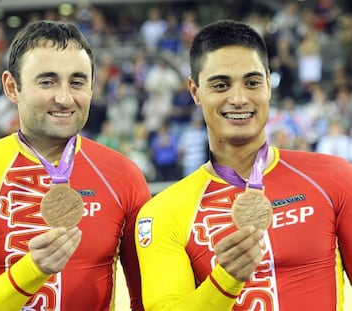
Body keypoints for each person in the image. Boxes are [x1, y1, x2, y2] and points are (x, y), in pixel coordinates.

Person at [135, 19, 352, 310]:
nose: (239, 98)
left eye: (252, 82)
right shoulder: (162, 213)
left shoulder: (332, 177)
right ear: (195, 91)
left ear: (268, 85)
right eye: (221, 84)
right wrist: (224, 281)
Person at [0, 20, 151, 311]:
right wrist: (32, 271)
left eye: (77, 82)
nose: (64, 98)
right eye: (47, 81)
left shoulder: (123, 175)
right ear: (12, 87)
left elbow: (146, 302)